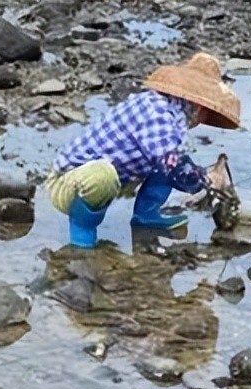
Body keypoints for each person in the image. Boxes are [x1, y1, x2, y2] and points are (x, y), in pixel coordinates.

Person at [47, 52, 241, 248]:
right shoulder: (157, 112)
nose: (202, 122)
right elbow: (174, 167)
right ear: (199, 107)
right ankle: (81, 237)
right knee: (105, 175)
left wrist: (196, 175)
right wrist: (206, 181)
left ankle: (146, 216)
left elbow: (170, 160)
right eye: (206, 116)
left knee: (166, 161)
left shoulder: (168, 112)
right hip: (68, 183)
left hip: (102, 180)